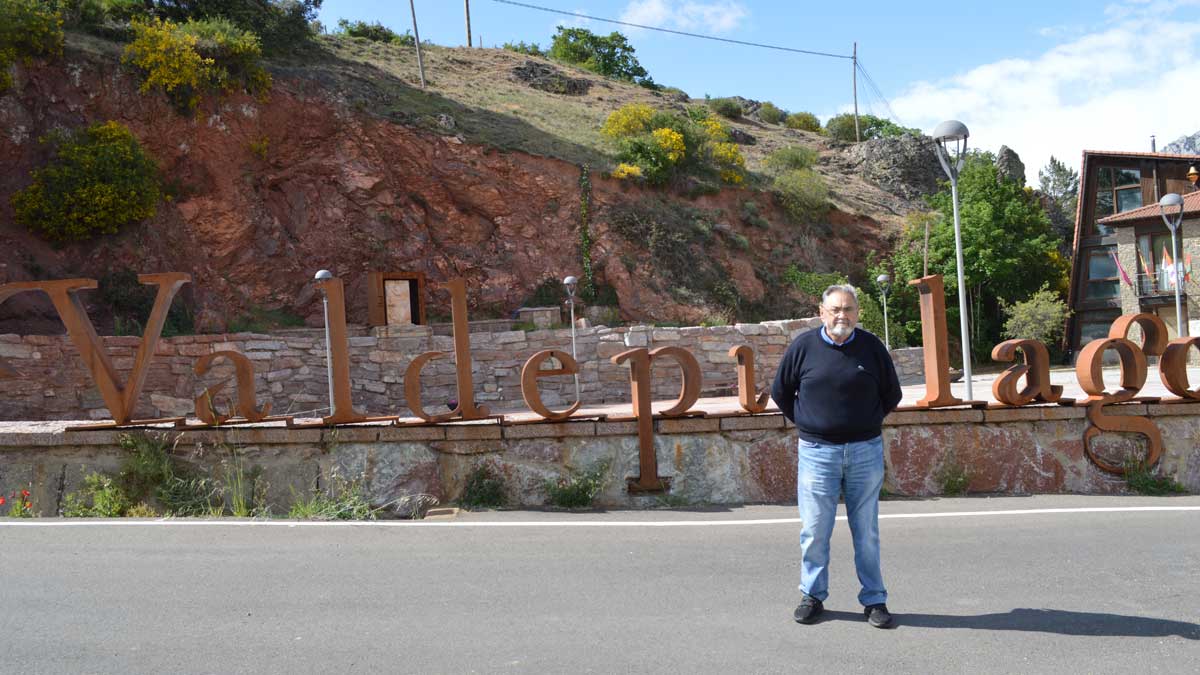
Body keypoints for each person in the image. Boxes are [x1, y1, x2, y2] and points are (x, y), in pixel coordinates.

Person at [771, 284, 902, 628]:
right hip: (817, 454)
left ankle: (874, 600)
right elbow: (781, 392)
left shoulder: (872, 347)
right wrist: (809, 424)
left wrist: (864, 423)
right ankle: (813, 596)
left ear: (858, 313)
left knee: (866, 532)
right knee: (814, 530)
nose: (842, 315)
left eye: (848, 309)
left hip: (864, 452)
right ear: (821, 312)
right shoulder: (803, 347)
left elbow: (892, 394)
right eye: (835, 310)